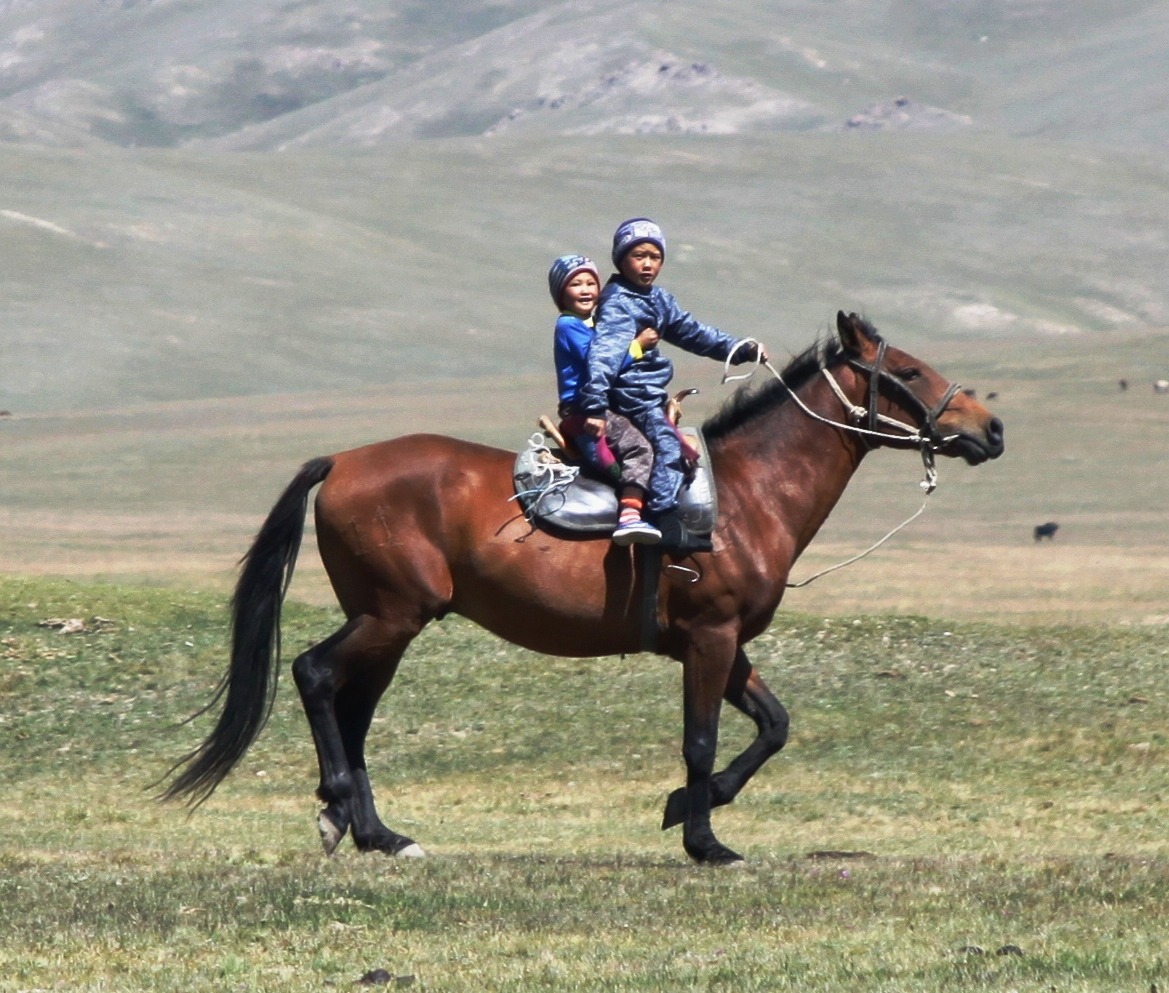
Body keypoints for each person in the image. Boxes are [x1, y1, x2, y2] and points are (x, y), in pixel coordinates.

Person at [577, 218, 767, 553]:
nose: (648, 263)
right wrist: (593, 404)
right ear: (621, 259)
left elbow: (693, 332)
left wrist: (739, 350)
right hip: (632, 397)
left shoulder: (659, 300)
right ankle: (663, 522)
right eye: (638, 255)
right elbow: (604, 357)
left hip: (650, 394)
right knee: (668, 449)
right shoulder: (619, 302)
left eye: (655, 256)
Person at [548, 254, 663, 546]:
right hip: (586, 409)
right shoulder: (568, 326)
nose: (586, 289)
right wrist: (637, 347)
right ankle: (630, 516)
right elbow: (599, 363)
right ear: (561, 294)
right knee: (640, 449)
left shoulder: (589, 325)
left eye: (591, 282)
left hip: (597, 406)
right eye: (576, 284)